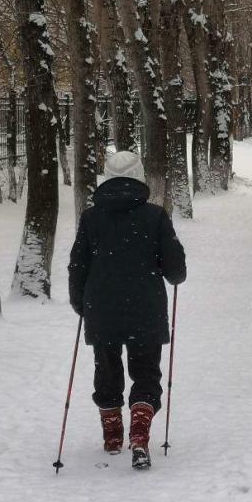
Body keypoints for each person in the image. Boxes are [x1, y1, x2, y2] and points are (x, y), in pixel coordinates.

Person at [68, 151, 186, 470]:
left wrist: (81, 302)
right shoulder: (155, 216)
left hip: (102, 306)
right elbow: (175, 269)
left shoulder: (91, 218)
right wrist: (173, 269)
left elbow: (78, 264)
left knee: (107, 369)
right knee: (146, 372)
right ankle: (139, 433)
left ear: (106, 176)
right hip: (145, 306)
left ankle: (112, 435)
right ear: (140, 175)